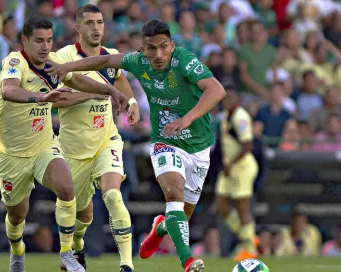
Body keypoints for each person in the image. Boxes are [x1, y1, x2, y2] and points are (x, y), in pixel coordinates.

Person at [46, 19, 226, 272]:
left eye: (164, 47)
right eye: (151, 48)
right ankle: (187, 261)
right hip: (165, 141)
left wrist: (187, 119)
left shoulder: (184, 61)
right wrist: (68, 67)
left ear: (172, 45)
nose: (158, 54)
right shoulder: (138, 61)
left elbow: (216, 90)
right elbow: (105, 61)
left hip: (198, 145)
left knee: (181, 217)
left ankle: (161, 227)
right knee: (173, 196)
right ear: (143, 49)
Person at [0, 15, 127, 272]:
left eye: (49, 40)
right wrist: (41, 99)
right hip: (13, 153)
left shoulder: (52, 65)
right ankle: (17, 250)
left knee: (66, 187)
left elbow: (75, 81)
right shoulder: (14, 61)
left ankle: (66, 253)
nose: (45, 46)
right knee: (17, 215)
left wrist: (108, 90)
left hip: (44, 145)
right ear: (25, 40)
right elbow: (8, 91)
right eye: (39, 41)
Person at [53, 5, 140, 272]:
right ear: (78, 28)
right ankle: (76, 245)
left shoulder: (111, 55)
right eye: (89, 23)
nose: (96, 28)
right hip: (74, 147)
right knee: (84, 215)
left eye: (100, 22)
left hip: (107, 139)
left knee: (113, 195)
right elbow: (57, 100)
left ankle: (126, 265)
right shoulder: (63, 57)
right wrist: (94, 94)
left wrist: (133, 101)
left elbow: (120, 78)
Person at [215, 90, 259, 261]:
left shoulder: (241, 117)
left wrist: (231, 164)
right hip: (229, 167)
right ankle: (248, 236)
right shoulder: (225, 116)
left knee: (242, 209)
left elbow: (248, 145)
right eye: (224, 98)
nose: (227, 101)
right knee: (221, 205)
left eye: (230, 98)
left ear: (238, 100)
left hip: (241, 167)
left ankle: (250, 249)